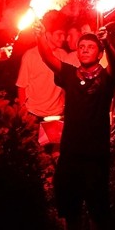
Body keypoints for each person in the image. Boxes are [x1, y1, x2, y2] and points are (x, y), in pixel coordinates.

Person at [37, 22, 115, 230]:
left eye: (91, 47)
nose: (85, 49)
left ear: (98, 53)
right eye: (81, 46)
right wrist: (40, 34)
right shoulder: (69, 74)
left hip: (96, 151)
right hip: (71, 150)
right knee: (69, 203)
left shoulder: (106, 79)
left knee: (97, 204)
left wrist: (109, 46)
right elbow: (47, 56)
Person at [14, 10, 70, 159]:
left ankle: (55, 182)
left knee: (56, 154)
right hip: (34, 114)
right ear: (48, 34)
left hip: (56, 113)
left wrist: (64, 105)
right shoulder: (30, 55)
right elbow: (21, 85)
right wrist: (23, 112)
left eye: (64, 35)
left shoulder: (63, 55)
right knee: (35, 155)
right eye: (59, 34)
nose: (63, 38)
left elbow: (66, 86)